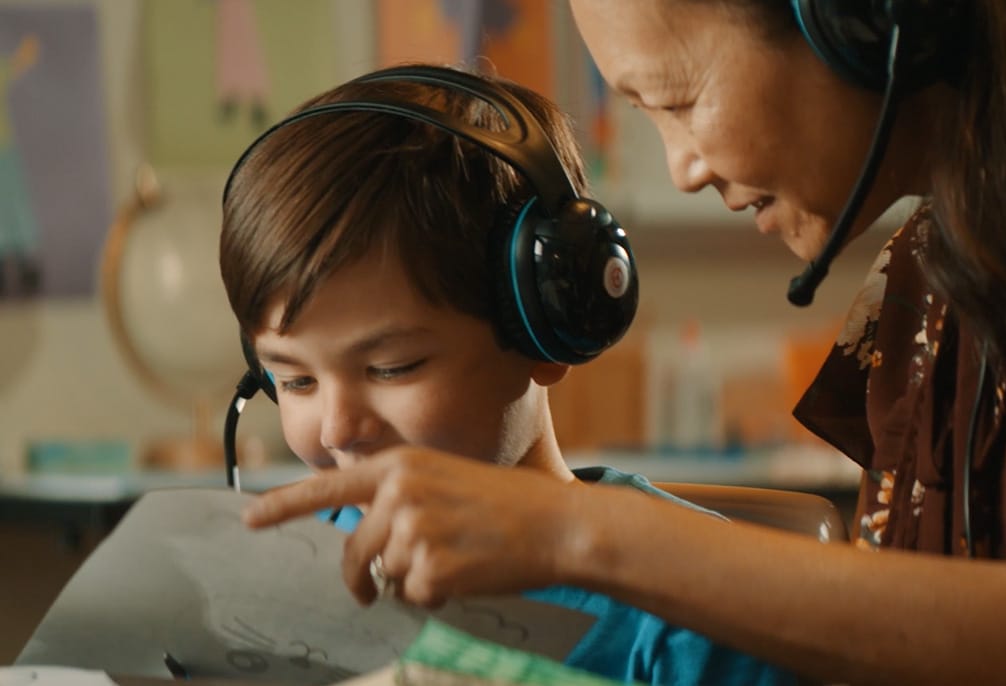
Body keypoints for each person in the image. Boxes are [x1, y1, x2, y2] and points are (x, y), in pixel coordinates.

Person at [240, 2, 1006, 684]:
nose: (680, 167)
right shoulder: (929, 289)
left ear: (853, 16)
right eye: (295, 379)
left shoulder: (666, 628)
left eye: (678, 98)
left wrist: (579, 537)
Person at [220, 63, 797, 685]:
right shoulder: (288, 579)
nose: (336, 429)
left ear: (546, 329)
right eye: (296, 381)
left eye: (392, 368)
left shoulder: (695, 605)